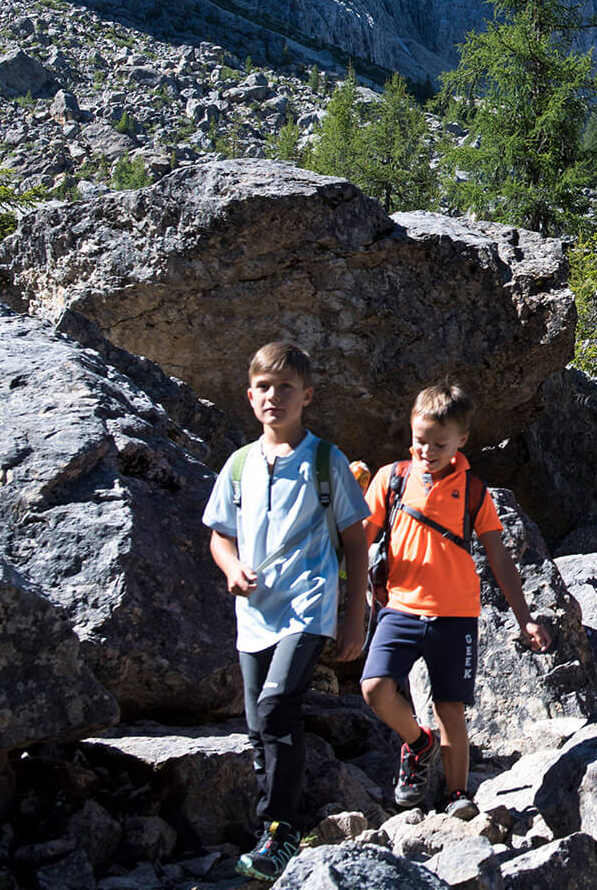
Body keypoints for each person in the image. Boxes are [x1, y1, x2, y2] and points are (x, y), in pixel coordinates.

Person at [202, 342, 372, 882]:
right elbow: (219, 536)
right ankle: (270, 831)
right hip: (253, 612)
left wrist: (353, 615)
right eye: (265, 388)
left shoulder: (326, 460)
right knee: (259, 723)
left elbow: (354, 541)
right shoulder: (238, 465)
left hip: (309, 603)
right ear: (250, 395)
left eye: (287, 388)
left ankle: (280, 828)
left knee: (277, 704)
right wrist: (230, 567)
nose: (275, 397)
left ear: (307, 396)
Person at [360, 383, 552, 820]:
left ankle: (456, 794)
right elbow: (358, 540)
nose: (426, 450)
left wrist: (525, 619)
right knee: (375, 689)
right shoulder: (390, 480)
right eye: (419, 440)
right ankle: (418, 742)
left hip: (456, 615)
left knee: (450, 708)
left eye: (438, 443)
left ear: (462, 441)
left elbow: (501, 561)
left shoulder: (474, 492)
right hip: (400, 608)